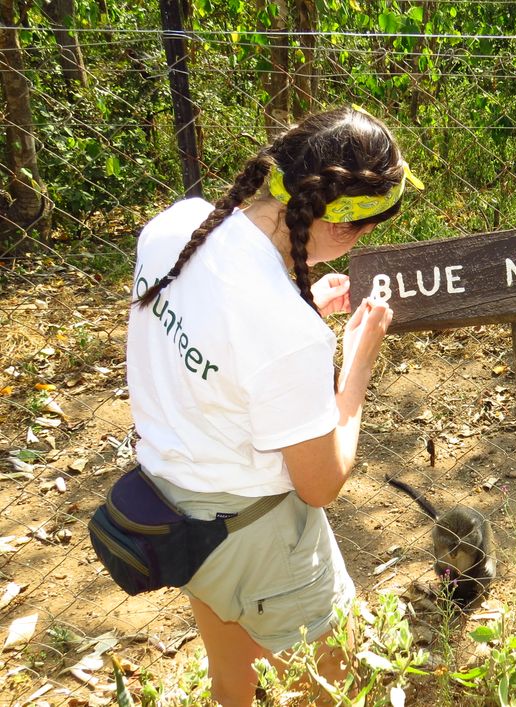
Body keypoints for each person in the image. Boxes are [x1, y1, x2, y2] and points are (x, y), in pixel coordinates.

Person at [126, 106, 420, 705]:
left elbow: (220, 327)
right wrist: (356, 359)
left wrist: (301, 297)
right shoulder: (287, 329)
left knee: (234, 683)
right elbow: (320, 484)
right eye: (366, 229)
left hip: (171, 505)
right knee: (338, 689)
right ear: (339, 227)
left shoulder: (175, 226)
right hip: (252, 532)